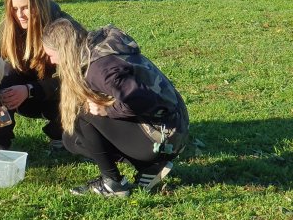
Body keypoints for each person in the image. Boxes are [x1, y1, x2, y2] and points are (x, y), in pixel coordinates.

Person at [41, 18, 189, 197]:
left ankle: (113, 183)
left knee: (83, 112)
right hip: (169, 127)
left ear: (64, 50)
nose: (50, 61)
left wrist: (107, 111)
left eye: (51, 55)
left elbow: (145, 101)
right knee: (72, 140)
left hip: (165, 135)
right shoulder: (97, 50)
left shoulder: (101, 70)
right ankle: (148, 167)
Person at [0, 0, 74, 151]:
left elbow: (76, 76)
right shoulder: (8, 27)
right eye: (14, 9)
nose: (19, 15)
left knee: (74, 93)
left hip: (55, 94)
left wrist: (30, 90)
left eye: (26, 8)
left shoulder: (63, 27)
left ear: (39, 5)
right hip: (20, 93)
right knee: (3, 80)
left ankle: (60, 133)